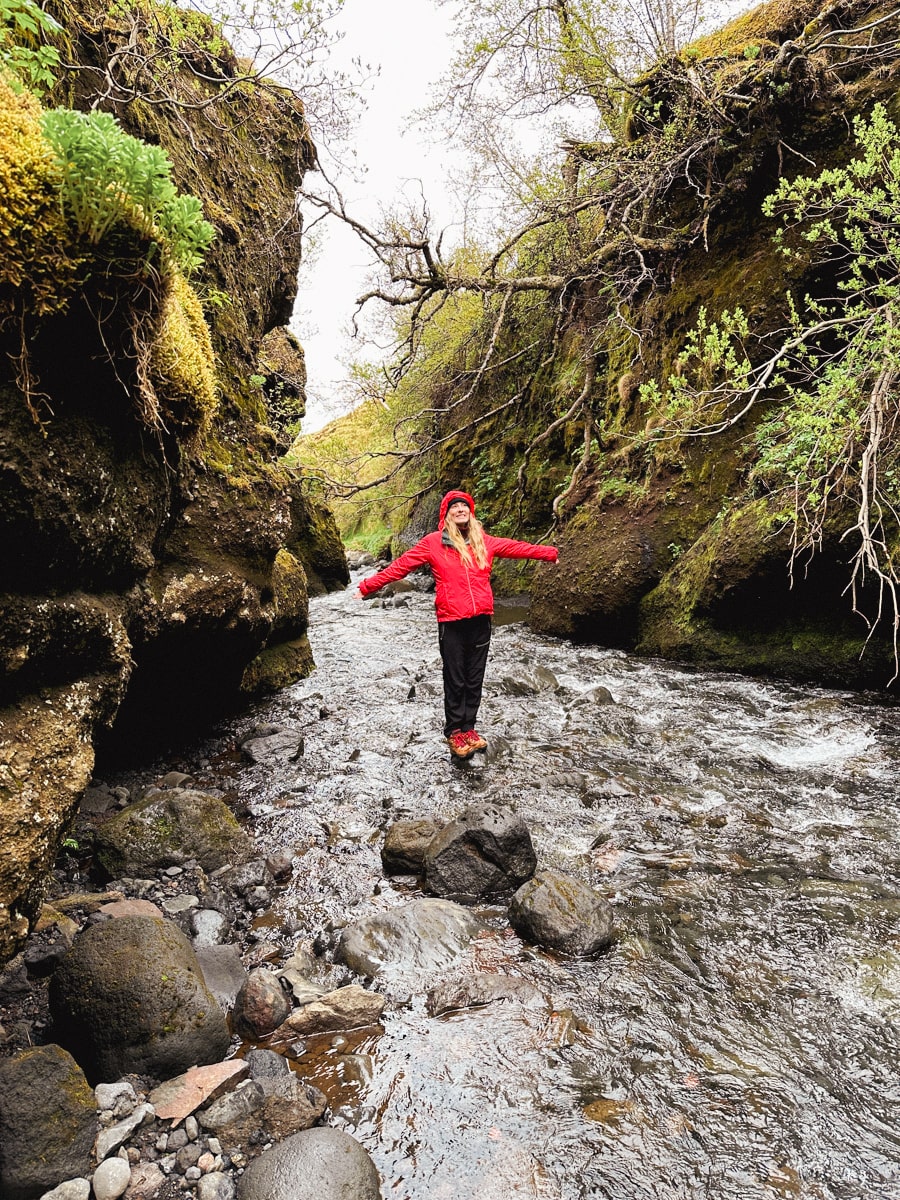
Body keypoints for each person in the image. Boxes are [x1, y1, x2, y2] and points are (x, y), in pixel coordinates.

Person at [355, 490, 559, 759]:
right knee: (455, 677)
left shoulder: (483, 541)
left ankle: (470, 728)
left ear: (470, 512)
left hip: (481, 620)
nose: (460, 509)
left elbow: (518, 548)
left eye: (464, 505)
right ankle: (454, 732)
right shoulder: (433, 543)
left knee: (475, 678)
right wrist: (367, 586)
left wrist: (550, 553)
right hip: (451, 621)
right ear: (447, 514)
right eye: (455, 506)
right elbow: (401, 567)